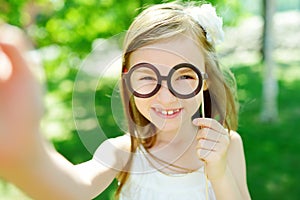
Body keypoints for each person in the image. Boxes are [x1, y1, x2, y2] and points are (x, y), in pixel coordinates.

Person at [0, 1, 251, 200]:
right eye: (147, 77)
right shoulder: (124, 152)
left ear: (205, 79)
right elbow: (73, 189)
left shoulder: (227, 145)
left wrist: (219, 172)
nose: (166, 96)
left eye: (184, 75)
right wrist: (27, 157)